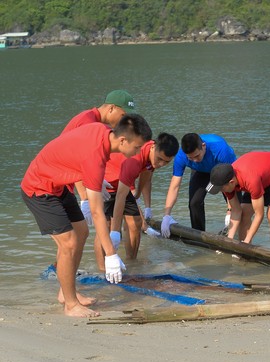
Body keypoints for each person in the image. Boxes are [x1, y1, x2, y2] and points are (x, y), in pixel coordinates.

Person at [21, 114, 153, 317]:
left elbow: (72, 146)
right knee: (69, 243)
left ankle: (66, 293)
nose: (138, 152)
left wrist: (94, 180)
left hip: (58, 185)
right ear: (123, 140)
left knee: (81, 232)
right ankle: (71, 306)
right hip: (39, 188)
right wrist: (111, 254)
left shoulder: (102, 131)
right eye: (137, 148)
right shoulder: (95, 157)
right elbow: (97, 212)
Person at [92, 133, 179, 269]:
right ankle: (103, 269)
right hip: (106, 184)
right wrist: (115, 231)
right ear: (153, 147)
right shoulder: (134, 161)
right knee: (105, 227)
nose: (161, 164)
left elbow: (147, 171)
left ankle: (132, 264)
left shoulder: (152, 155)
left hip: (123, 185)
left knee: (136, 223)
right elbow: (120, 197)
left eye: (166, 162)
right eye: (160, 159)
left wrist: (137, 192)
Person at [62, 90, 137, 222]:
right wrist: (85, 197)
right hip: (57, 184)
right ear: (111, 108)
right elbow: (78, 159)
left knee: (80, 234)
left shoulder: (94, 120)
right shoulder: (88, 123)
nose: (124, 121)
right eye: (123, 115)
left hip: (66, 183)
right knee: (72, 238)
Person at [205, 152, 270, 251]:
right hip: (261, 176)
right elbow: (236, 211)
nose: (220, 191)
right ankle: (243, 252)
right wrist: (229, 240)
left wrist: (247, 241)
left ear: (231, 182)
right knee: (244, 213)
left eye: (220, 189)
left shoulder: (250, 180)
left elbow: (259, 215)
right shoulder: (226, 182)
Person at [161, 133, 236, 237]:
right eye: (190, 158)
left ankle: (236, 234)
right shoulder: (181, 156)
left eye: (197, 155)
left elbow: (231, 181)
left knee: (236, 205)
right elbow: (174, 186)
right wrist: (166, 215)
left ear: (203, 146)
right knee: (194, 203)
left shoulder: (221, 149)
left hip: (221, 170)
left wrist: (229, 210)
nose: (195, 160)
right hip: (200, 171)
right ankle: (198, 234)